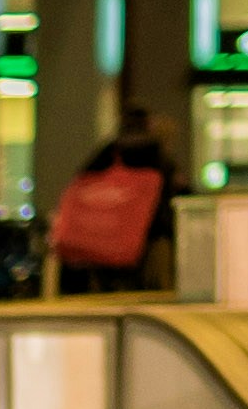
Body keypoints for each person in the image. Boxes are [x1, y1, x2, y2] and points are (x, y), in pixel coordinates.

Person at [48, 115, 181, 294]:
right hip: (150, 237)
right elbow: (166, 198)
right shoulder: (156, 155)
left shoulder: (108, 152)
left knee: (107, 286)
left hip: (107, 238)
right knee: (152, 288)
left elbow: (81, 182)